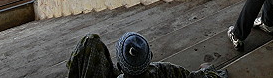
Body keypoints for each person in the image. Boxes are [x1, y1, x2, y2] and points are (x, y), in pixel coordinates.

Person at [66, 32, 227, 78]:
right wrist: (206, 69)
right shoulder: (164, 71)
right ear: (149, 57)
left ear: (120, 67)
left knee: (90, 41)